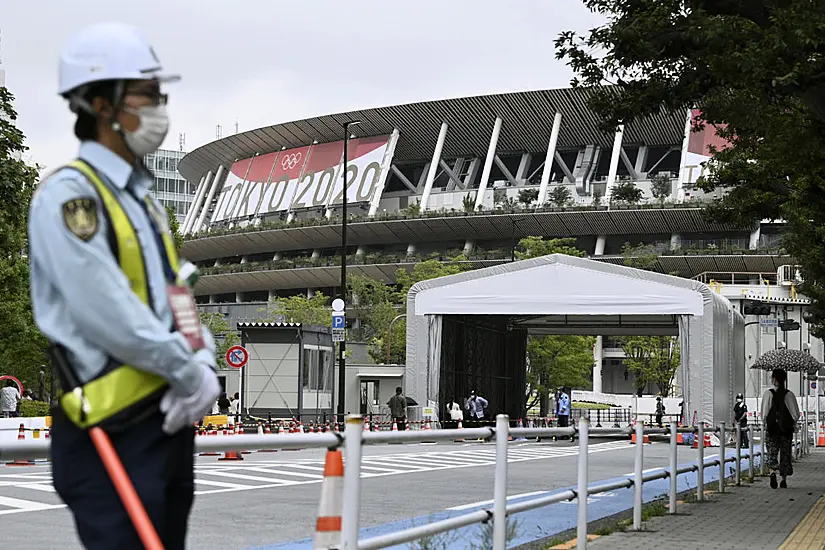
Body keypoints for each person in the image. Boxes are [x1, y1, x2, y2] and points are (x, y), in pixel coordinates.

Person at [28, 23, 220, 549]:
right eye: (147, 95)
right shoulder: (70, 197)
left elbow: (176, 294)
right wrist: (187, 373)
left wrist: (203, 361)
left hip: (165, 421)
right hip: (110, 428)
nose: (159, 108)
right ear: (100, 104)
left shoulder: (144, 200)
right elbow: (107, 311)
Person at [761, 369, 799, 489]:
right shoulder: (789, 394)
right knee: (785, 453)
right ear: (784, 379)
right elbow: (795, 414)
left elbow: (764, 414)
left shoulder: (768, 393)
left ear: (773, 379)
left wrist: (766, 422)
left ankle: (772, 473)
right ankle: (783, 479)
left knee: (772, 451)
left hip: (772, 429)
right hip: (786, 430)